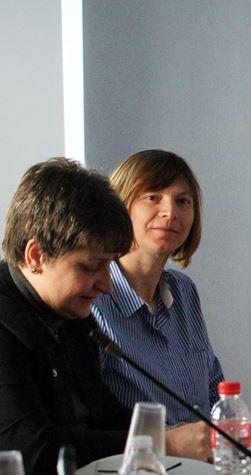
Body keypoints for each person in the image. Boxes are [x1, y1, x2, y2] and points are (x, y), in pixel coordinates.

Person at [0, 159, 210, 474]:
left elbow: (105, 416)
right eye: (91, 267)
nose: (106, 285)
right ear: (36, 256)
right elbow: (34, 450)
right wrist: (163, 443)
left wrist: (174, 434)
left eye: (109, 265)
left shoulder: (72, 317)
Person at [91, 150, 224, 425]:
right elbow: (96, 419)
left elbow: (215, 390)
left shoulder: (184, 291)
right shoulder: (93, 299)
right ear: (119, 205)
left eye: (182, 201)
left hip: (207, 451)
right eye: (153, 197)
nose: (170, 212)